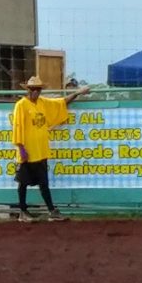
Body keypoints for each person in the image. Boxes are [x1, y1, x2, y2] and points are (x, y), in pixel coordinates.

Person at [11, 76, 90, 222]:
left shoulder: (42, 103)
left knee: (43, 182)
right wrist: (21, 147)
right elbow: (17, 127)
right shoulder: (21, 105)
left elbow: (61, 103)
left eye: (38, 89)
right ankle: (23, 211)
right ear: (28, 90)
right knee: (23, 182)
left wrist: (78, 93)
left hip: (41, 150)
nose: (36, 92)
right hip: (27, 150)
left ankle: (51, 211)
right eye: (33, 89)